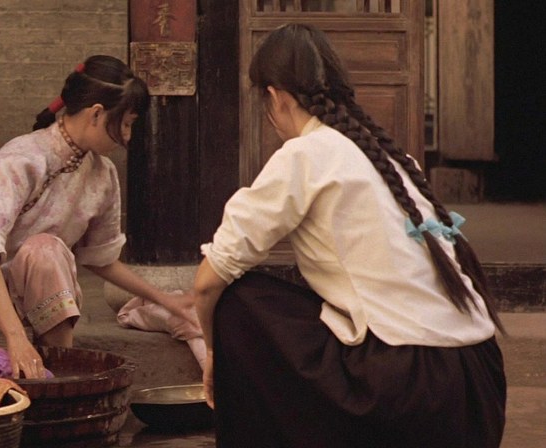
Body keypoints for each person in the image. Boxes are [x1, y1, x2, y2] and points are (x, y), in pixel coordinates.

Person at [191, 24, 506, 447]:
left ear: (275, 97)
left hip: (409, 394)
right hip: (478, 387)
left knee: (238, 302)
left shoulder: (305, 154)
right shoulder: (393, 158)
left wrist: (214, 353)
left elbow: (206, 283)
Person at [0, 55, 195, 379]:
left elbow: (100, 258)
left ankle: (57, 373)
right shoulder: (19, 158)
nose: (127, 136)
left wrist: (165, 300)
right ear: (96, 114)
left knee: (45, 250)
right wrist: (15, 337)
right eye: (126, 124)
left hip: (36, 298)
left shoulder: (103, 176)